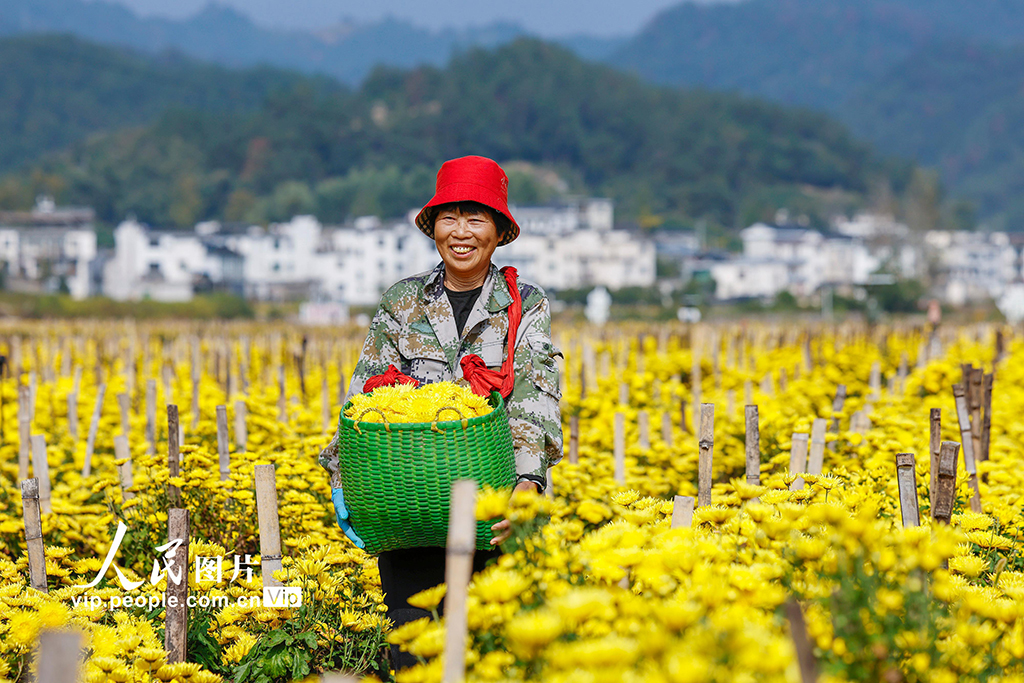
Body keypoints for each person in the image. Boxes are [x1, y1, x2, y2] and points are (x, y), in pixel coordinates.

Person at [317, 155, 563, 670]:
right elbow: (364, 395)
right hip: (410, 509)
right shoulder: (403, 302)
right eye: (449, 218)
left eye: (476, 218)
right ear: (433, 228)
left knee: (494, 651)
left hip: (494, 511)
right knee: (413, 650)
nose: (462, 232)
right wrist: (346, 480)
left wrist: (526, 486)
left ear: (498, 232)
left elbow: (536, 395)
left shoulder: (523, 302)